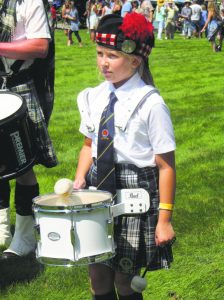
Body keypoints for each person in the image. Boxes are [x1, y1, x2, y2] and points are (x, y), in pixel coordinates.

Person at [73, 12, 176, 300]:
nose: (103, 62)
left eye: (112, 56)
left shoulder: (151, 104)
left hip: (135, 200)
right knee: (97, 276)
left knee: (125, 280)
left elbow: (166, 167)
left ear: (135, 60)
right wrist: (80, 178)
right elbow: (87, 145)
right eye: (99, 53)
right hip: (97, 195)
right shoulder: (93, 97)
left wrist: (164, 219)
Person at [0, 0, 57, 258]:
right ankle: (2, 230)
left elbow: (40, 46)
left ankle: (25, 238)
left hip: (18, 87)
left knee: (22, 164)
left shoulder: (29, 2)